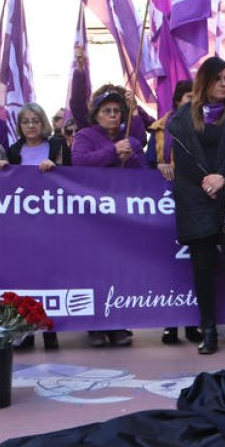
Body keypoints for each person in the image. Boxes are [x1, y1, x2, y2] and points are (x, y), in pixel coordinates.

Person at [167, 57, 225, 354]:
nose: (224, 84)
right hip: (196, 200)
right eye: (219, 78)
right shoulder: (181, 118)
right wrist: (207, 181)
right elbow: (182, 160)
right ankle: (208, 330)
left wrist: (223, 178)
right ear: (204, 81)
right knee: (202, 268)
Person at [71, 90, 143, 347]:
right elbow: (79, 162)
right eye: (107, 111)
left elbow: (142, 173)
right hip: (93, 215)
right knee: (94, 269)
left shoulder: (130, 140)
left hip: (122, 215)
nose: (112, 116)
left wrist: (129, 156)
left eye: (116, 111)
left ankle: (118, 323)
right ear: (96, 115)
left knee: (119, 268)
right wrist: (112, 152)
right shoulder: (85, 136)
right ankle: (95, 326)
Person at [145, 80, 204, 347]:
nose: (193, 101)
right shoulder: (159, 129)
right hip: (166, 206)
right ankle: (170, 324)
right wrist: (159, 165)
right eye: (188, 96)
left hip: (198, 203)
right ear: (178, 100)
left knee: (197, 265)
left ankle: (195, 323)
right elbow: (146, 162)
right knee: (170, 265)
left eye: (196, 96)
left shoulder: (207, 126)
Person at [6, 102, 67, 351]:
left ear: (43, 123)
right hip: (22, 223)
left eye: (35, 120)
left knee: (49, 277)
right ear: (19, 126)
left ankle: (50, 331)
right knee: (24, 277)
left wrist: (56, 168)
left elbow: (72, 176)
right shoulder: (13, 150)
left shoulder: (56, 145)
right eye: (25, 121)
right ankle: (27, 331)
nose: (30, 125)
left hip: (52, 221)